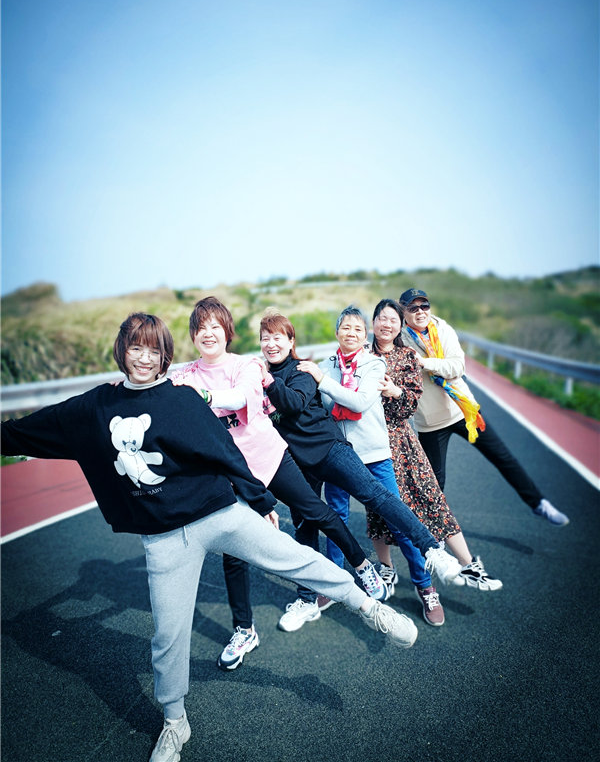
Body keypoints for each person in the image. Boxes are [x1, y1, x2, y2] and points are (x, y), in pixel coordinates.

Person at [1, 313, 419, 762]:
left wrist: (260, 500)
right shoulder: (98, 406)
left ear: (166, 355)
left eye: (154, 350)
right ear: (122, 350)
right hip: (163, 539)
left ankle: (370, 608)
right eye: (136, 348)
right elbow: (33, 429)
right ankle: (174, 722)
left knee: (294, 557)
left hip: (218, 513)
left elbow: (224, 451)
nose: (144, 359)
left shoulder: (180, 398)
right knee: (168, 634)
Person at [169, 297, 387, 663]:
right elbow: (164, 399)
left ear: (227, 333)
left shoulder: (246, 366)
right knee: (233, 552)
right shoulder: (185, 375)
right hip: (233, 473)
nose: (208, 334)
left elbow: (240, 397)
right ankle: (244, 631)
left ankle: (361, 565)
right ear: (193, 336)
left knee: (315, 511)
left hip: (269, 457)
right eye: (201, 328)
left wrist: (204, 397)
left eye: (215, 327)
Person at [259, 308, 464, 627]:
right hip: (298, 461)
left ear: (291, 341)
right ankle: (311, 594)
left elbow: (298, 403)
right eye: (265, 338)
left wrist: (269, 379)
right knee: (308, 525)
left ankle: (431, 552)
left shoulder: (306, 370)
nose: (271, 344)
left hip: (335, 450)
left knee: (378, 497)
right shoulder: (319, 365)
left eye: (278, 337)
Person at [368, 298, 502, 615]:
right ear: (373, 322)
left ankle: (467, 564)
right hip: (371, 442)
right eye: (382, 318)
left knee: (431, 498)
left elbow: (410, 405)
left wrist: (395, 392)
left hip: (403, 443)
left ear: (400, 326)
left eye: (393, 320)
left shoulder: (407, 357)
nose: (387, 324)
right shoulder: (362, 356)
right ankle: (386, 568)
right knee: (379, 509)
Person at [398, 288, 570, 526]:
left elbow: (457, 367)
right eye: (413, 308)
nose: (420, 312)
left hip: (464, 410)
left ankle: (539, 503)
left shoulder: (443, 329)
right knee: (434, 483)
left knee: (503, 457)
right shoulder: (400, 340)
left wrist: (425, 363)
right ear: (403, 312)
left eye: (424, 306)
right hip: (431, 421)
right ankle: (432, 535)